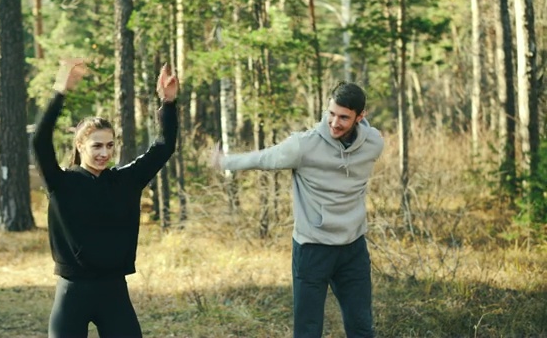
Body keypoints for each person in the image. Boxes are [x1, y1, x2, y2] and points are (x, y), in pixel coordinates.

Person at [212, 82, 384, 338]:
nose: (335, 122)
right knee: (308, 330)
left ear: (361, 116)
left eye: (344, 117)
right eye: (332, 113)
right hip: (312, 249)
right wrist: (225, 161)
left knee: (361, 326)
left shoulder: (374, 143)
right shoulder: (303, 146)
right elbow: (263, 159)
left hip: (353, 249)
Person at [32, 58, 178, 338]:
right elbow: (39, 140)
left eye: (110, 145)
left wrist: (168, 104)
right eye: (96, 145)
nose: (104, 153)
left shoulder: (125, 180)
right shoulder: (61, 182)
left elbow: (164, 146)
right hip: (72, 291)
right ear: (80, 145)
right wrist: (59, 92)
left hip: (114, 292)